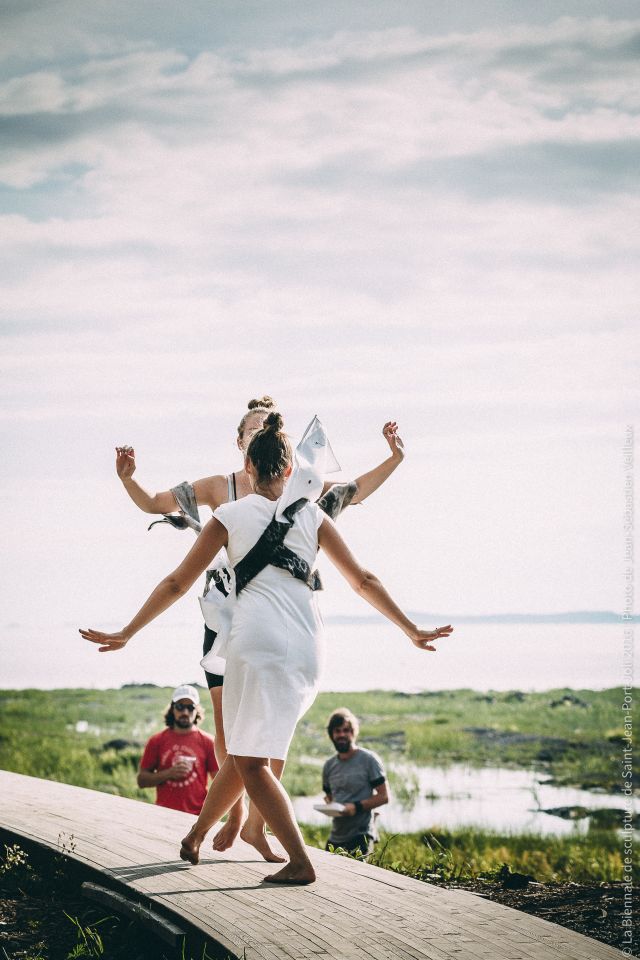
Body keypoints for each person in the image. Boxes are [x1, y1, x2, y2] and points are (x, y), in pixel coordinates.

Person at [81, 413, 453, 885]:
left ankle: (299, 861)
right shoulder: (314, 515)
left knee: (252, 762)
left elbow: (177, 583)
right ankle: (196, 835)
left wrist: (128, 631)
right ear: (289, 469)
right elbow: (363, 580)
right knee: (244, 750)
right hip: (308, 653)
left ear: (250, 471)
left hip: (256, 649)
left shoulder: (228, 515)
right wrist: (410, 628)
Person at [137, 684, 218, 815]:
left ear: (197, 710)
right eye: (180, 707)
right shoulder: (156, 740)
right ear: (172, 709)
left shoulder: (208, 742)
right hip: (163, 813)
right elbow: (141, 781)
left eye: (190, 707)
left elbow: (220, 783)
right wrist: (169, 773)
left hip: (197, 817)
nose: (185, 712)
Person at [322, 707, 388, 858]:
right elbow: (330, 797)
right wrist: (329, 806)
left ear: (353, 732)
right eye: (337, 731)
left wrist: (356, 807)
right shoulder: (329, 766)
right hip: (336, 836)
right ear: (332, 734)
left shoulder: (369, 760)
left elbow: (384, 796)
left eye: (346, 730)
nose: (342, 735)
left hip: (361, 835)